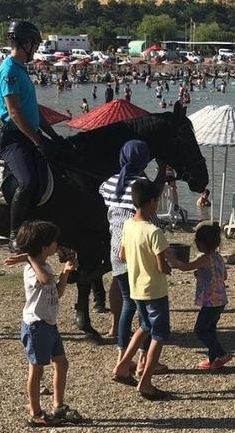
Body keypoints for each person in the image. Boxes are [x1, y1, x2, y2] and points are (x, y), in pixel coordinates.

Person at [99, 141, 168, 374]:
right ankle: (143, 360)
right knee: (146, 310)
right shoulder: (141, 187)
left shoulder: (109, 184)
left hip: (117, 250)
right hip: (139, 252)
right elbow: (151, 219)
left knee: (128, 304)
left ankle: (122, 355)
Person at [6, 220, 82, 427]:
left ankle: (58, 405)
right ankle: (35, 411)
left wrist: (65, 272)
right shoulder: (33, 269)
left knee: (62, 363)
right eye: (54, 242)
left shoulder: (43, 264)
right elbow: (46, 280)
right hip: (36, 325)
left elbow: (56, 293)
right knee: (36, 370)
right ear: (43, 247)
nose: (57, 244)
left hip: (49, 323)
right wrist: (29, 258)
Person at [0, 20, 60, 249]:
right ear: (25, 43)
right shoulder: (9, 70)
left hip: (28, 133)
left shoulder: (21, 69)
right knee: (28, 181)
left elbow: (34, 110)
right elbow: (14, 111)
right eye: (35, 44)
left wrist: (52, 135)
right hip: (13, 138)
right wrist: (36, 139)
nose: (36, 49)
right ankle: (14, 233)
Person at [112, 179, 174, 401]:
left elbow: (122, 255)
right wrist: (168, 267)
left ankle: (123, 365)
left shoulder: (129, 224)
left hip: (136, 287)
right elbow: (161, 265)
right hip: (154, 290)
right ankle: (146, 381)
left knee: (144, 325)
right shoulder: (153, 231)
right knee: (159, 333)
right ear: (151, 202)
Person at [169, 223, 234, 370]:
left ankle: (221, 353)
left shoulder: (204, 258)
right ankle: (213, 360)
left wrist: (173, 260)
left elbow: (186, 267)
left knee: (200, 330)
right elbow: (224, 276)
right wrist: (202, 275)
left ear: (202, 245)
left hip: (211, 301)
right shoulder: (218, 257)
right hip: (221, 300)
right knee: (210, 329)